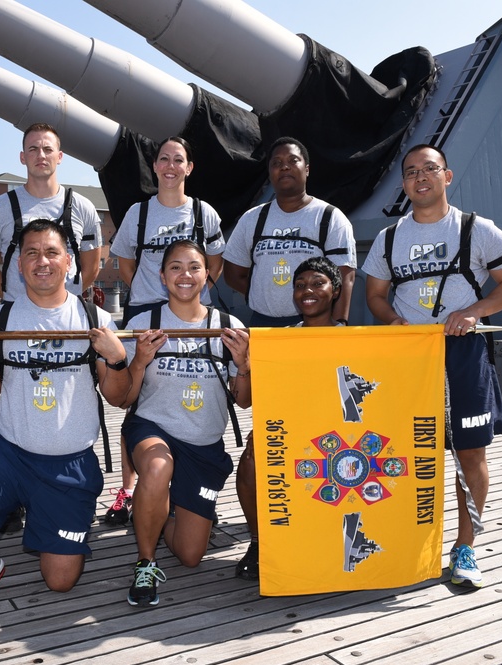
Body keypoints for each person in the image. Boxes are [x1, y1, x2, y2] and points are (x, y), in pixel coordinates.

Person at [0, 220, 132, 613]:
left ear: (69, 262)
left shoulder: (96, 319)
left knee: (60, 582)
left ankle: (39, 510)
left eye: (52, 252)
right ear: (18, 266)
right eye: (31, 253)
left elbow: (119, 398)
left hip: (69, 465)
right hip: (11, 454)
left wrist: (119, 358)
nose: (42, 261)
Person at [363, 143, 502, 588]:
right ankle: (409, 540)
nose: (420, 177)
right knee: (406, 452)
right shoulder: (389, 238)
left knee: (470, 451)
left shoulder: (478, 230)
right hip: (409, 358)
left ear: (446, 177)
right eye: (411, 171)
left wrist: (473, 311)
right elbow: (375, 294)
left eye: (429, 169)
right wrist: (394, 321)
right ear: (404, 184)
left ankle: (465, 546)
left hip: (464, 352)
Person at [119, 239, 251, 607]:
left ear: (207, 275)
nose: (185, 275)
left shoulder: (228, 326)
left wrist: (243, 365)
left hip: (203, 443)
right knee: (158, 468)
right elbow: (125, 396)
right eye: (175, 267)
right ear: (162, 276)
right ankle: (145, 561)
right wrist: (141, 360)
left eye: (194, 267)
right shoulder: (144, 323)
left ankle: (163, 506)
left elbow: (243, 401)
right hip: (153, 428)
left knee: (191, 555)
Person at [106, 136, 226, 526]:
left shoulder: (203, 212)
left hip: (190, 310)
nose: (171, 166)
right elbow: (126, 263)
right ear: (154, 167)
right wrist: (152, 296)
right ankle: (129, 489)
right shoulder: (138, 213)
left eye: (179, 160)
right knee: (136, 397)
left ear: (189, 168)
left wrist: (189, 296)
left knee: (178, 391)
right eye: (163, 159)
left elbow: (215, 263)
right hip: (147, 313)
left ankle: (177, 486)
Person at [234, 256, 343, 580]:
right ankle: (259, 544)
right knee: (253, 457)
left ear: (335, 290)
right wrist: (245, 364)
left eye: (317, 283)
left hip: (337, 436)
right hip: (291, 432)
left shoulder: (355, 339)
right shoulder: (277, 341)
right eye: (299, 285)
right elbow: (246, 401)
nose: (307, 291)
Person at [222, 136, 356, 326]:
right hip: (262, 323)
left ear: (307, 169)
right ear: (270, 173)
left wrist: (339, 324)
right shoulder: (252, 219)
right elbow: (233, 274)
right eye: (276, 163)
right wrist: (266, 293)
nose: (284, 167)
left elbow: (344, 277)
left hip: (312, 325)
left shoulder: (330, 217)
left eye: (293, 161)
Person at [0, 122, 102, 303]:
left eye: (47, 149)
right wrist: (18, 302)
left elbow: (92, 269)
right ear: (22, 157)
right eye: (33, 149)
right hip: (17, 318)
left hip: (69, 319)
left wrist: (65, 301)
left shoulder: (84, 208)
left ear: (59, 157)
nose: (40, 155)